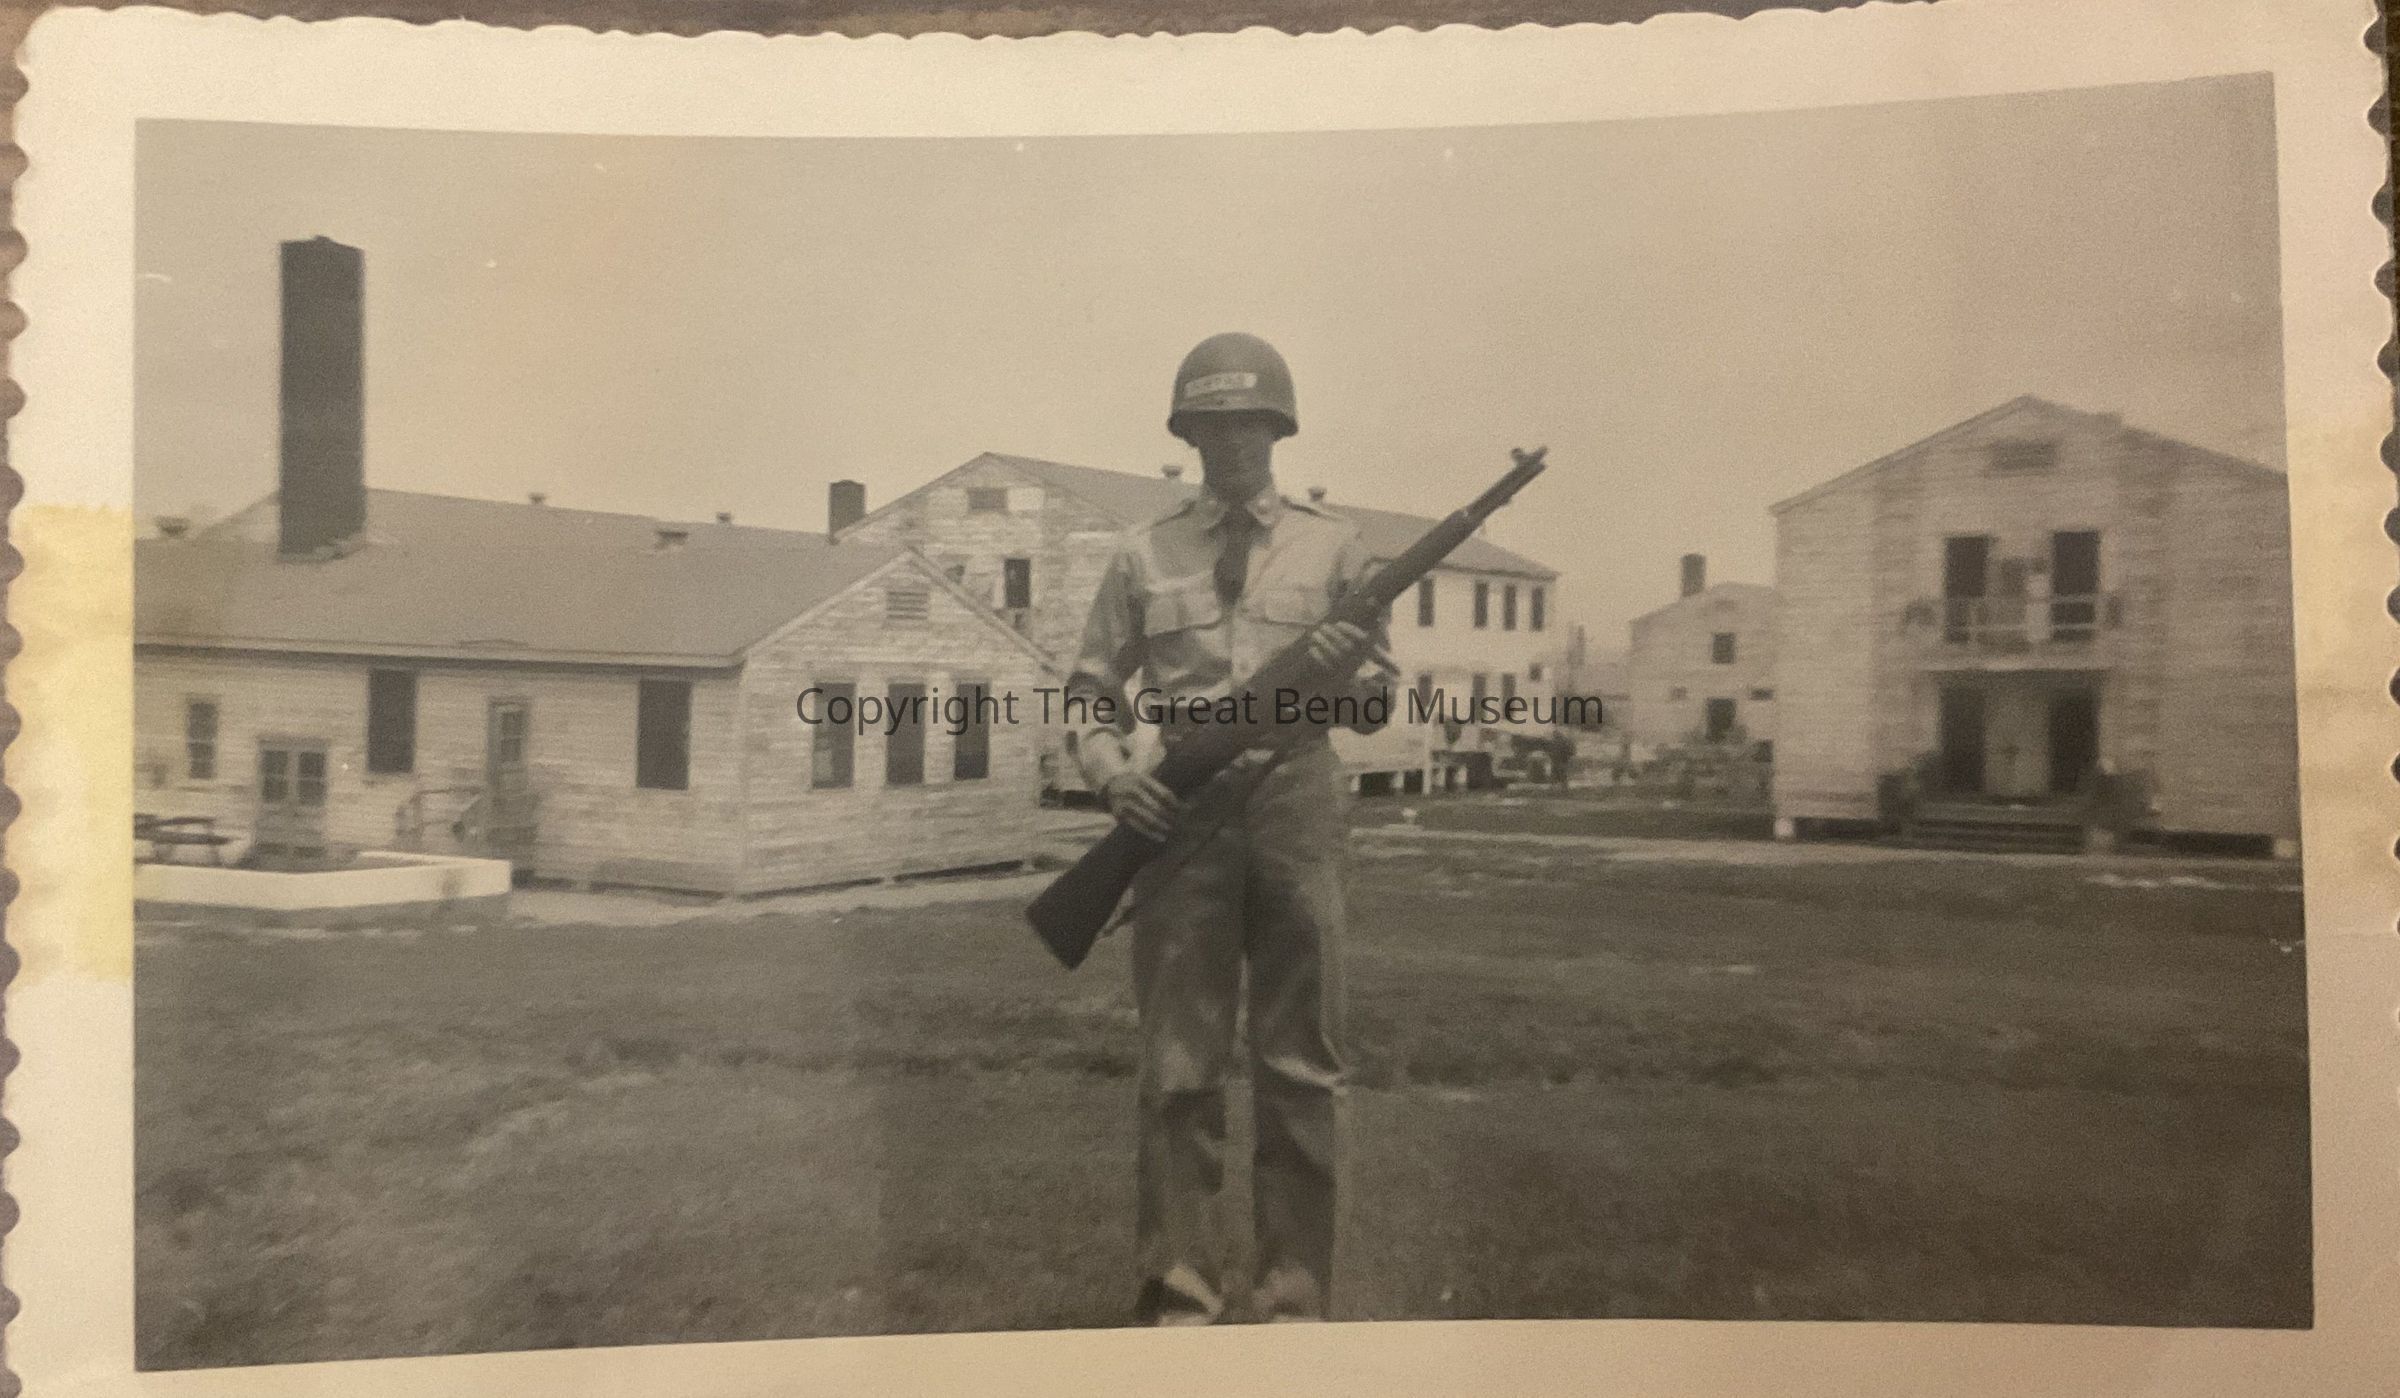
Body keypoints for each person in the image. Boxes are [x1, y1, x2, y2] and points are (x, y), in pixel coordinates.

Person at [1063, 331, 1396, 1326]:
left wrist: (1340, 670)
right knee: (1179, 1070)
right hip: (1179, 813)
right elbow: (1089, 689)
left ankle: (1294, 1308)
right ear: (1189, 434)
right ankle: (1182, 1301)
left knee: (1304, 1067)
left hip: (1296, 805)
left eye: (1250, 423)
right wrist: (1115, 777)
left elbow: (1377, 706)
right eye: (1212, 425)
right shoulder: (1144, 551)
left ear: (1278, 430)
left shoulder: (1336, 548)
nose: (1233, 441)